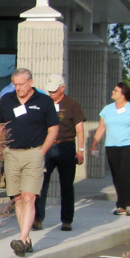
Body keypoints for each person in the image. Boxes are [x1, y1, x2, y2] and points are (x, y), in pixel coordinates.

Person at [0, 68, 59, 256]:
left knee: (30, 196)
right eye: (15, 85)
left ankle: (22, 237)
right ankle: (26, 239)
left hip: (33, 154)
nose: (18, 88)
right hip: (11, 153)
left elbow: (53, 129)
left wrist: (42, 151)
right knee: (18, 198)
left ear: (30, 82)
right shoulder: (7, 100)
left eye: (21, 84)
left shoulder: (44, 101)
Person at [33, 74, 86, 232]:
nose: (51, 94)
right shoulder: (44, 103)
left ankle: (67, 220)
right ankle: (38, 218)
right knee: (42, 184)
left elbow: (80, 128)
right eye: (49, 91)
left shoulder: (72, 104)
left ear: (62, 88)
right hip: (48, 146)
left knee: (67, 186)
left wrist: (80, 150)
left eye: (54, 91)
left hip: (66, 146)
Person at [91, 81, 130, 215]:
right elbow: (102, 128)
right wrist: (94, 143)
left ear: (123, 94)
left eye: (116, 91)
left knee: (124, 172)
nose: (113, 92)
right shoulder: (107, 109)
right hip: (112, 144)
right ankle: (121, 204)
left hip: (128, 144)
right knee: (117, 175)